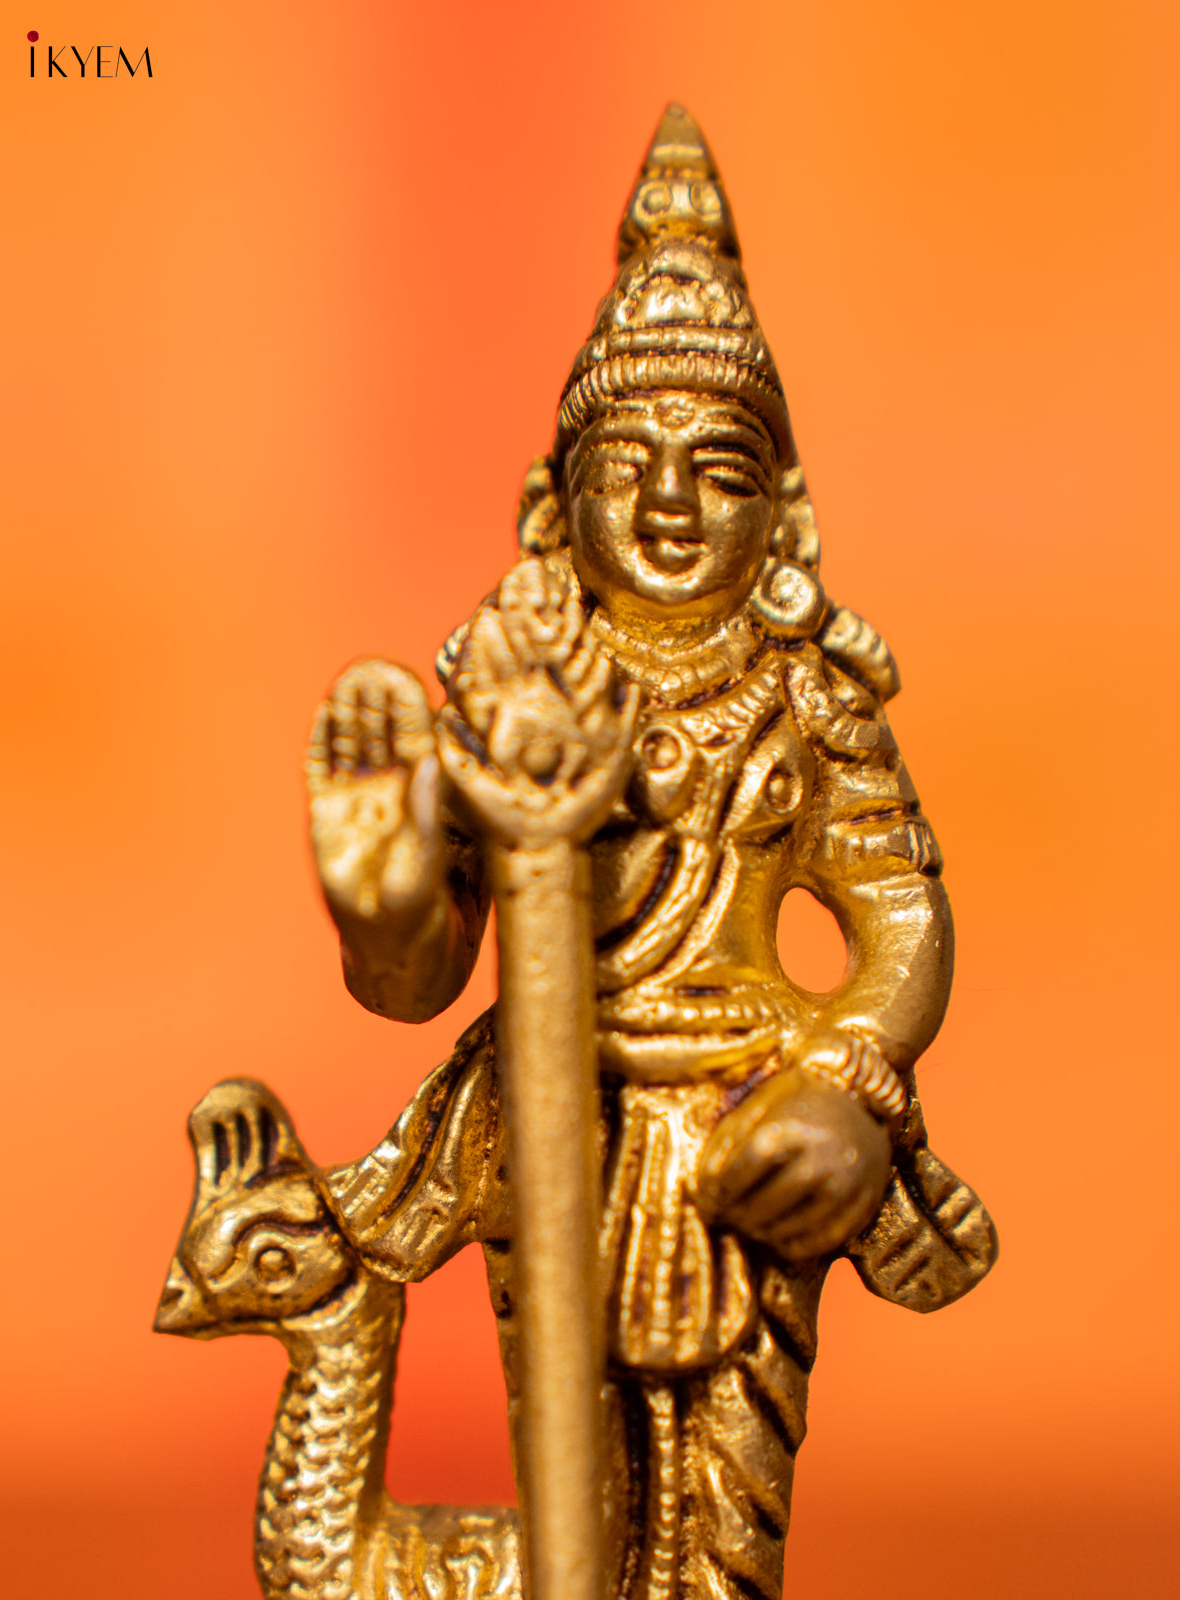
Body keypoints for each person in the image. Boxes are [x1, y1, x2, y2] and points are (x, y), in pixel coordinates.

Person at [306, 105, 995, 1600]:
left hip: (749, 1131)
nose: (670, 503)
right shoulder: (519, 696)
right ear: (555, 504)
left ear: (784, 517)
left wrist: (850, 1085)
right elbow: (419, 986)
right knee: (575, 1497)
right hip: (553, 1116)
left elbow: (900, 918)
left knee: (725, 1519)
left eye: (719, 468)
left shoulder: (806, 699)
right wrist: (386, 902)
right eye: (627, 461)